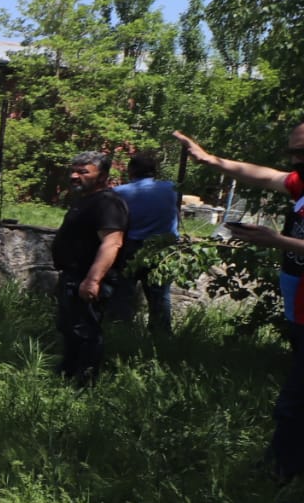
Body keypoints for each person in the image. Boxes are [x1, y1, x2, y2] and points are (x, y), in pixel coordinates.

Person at [174, 125, 304, 482]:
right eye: (293, 153)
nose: (296, 161)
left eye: (302, 152)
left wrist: (278, 241)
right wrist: (209, 160)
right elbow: (262, 175)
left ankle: (278, 475)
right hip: (300, 306)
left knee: (294, 402)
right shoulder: (301, 182)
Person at [50, 151, 128, 387]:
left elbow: (112, 242)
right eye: (73, 170)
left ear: (102, 176)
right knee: (70, 328)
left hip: (88, 278)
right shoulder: (86, 200)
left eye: (83, 172)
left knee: (86, 331)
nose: (74, 176)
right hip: (73, 276)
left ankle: (85, 383)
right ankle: (68, 374)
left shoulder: (108, 203)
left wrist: (93, 279)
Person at [112, 148, 180, 337]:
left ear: (131, 171)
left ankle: (120, 332)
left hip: (133, 246)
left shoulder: (120, 192)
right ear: (154, 171)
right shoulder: (171, 188)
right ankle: (162, 336)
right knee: (160, 295)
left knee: (123, 292)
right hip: (163, 248)